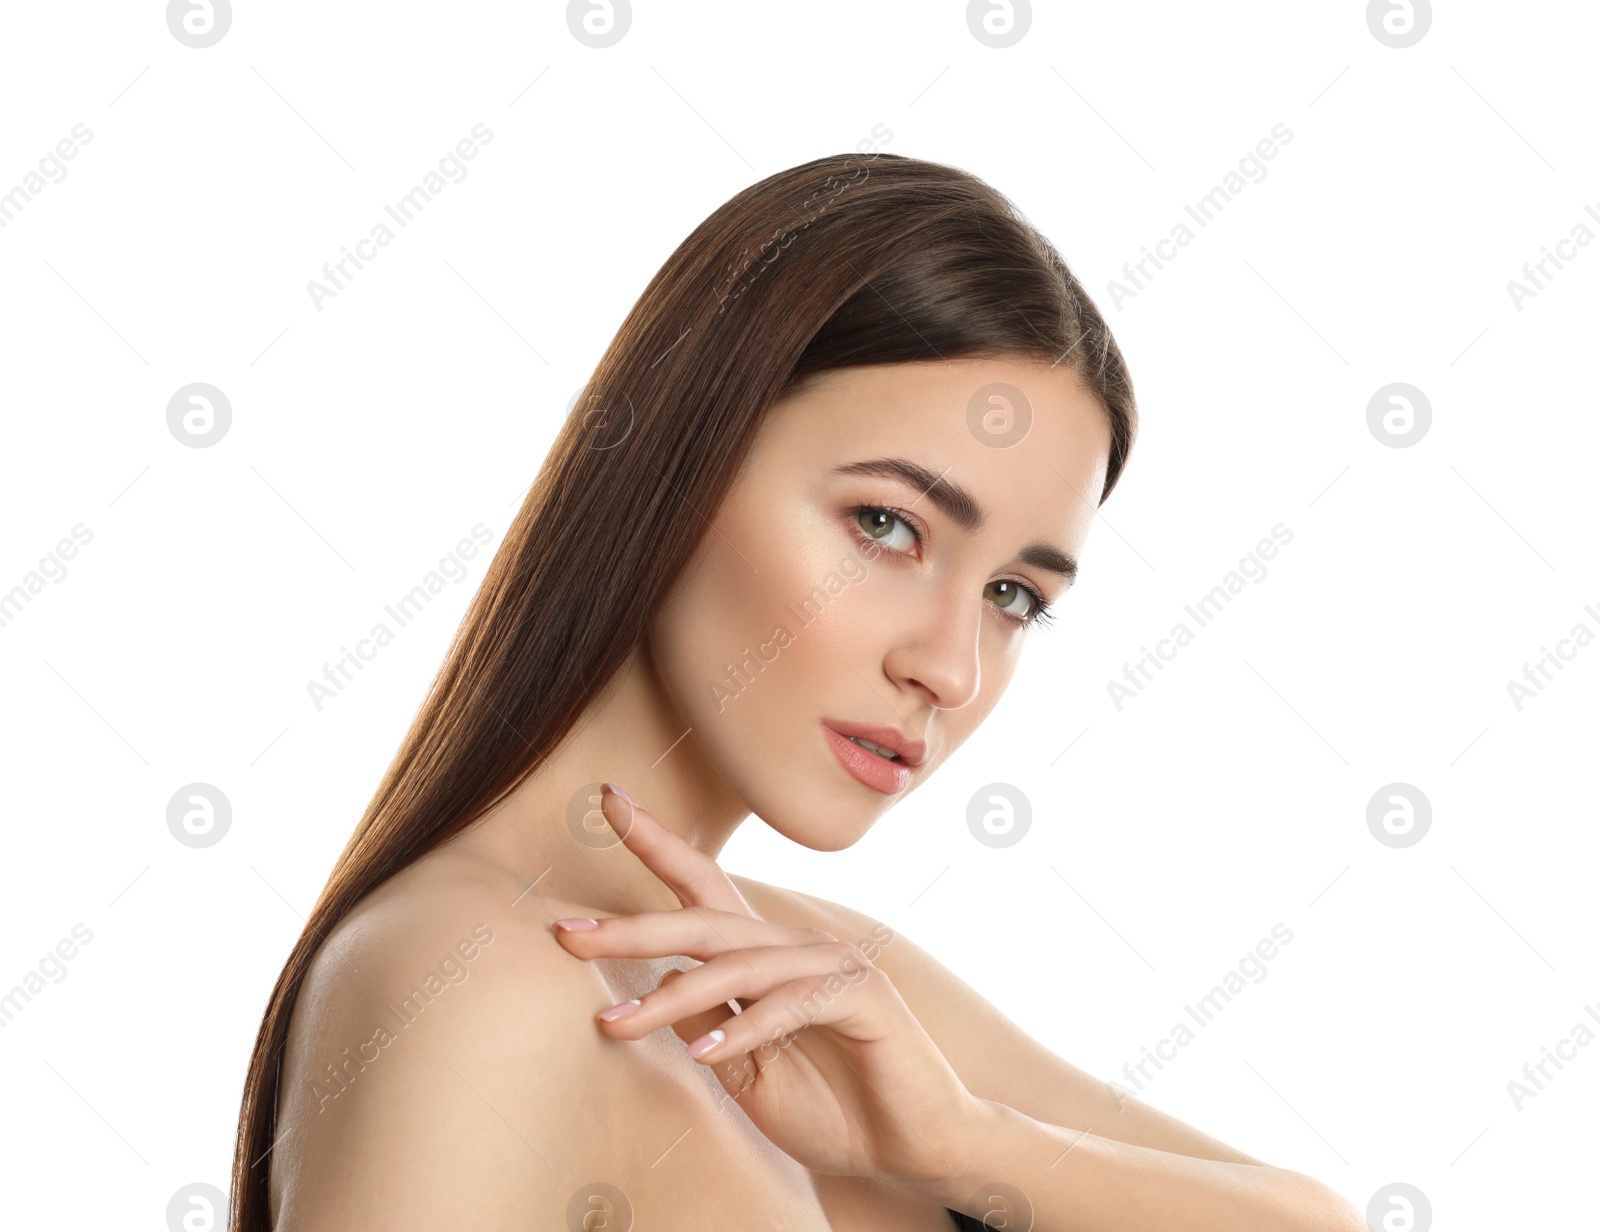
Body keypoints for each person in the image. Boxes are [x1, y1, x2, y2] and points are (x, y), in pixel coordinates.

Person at [230, 151, 1362, 1230]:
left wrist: (964, 1146)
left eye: (1014, 595)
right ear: (683, 452)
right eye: (886, 525)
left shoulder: (807, 968)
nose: (950, 666)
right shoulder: (471, 980)